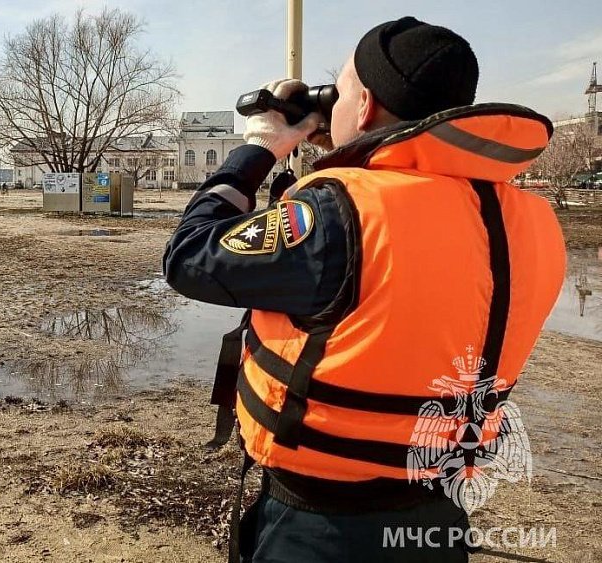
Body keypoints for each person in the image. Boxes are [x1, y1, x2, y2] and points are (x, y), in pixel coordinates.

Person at [163, 17, 565, 563]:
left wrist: (258, 148)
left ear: (366, 104)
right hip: (437, 511)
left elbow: (190, 256)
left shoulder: (340, 212)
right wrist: (358, 148)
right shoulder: (530, 221)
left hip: (321, 526)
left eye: (341, 90)